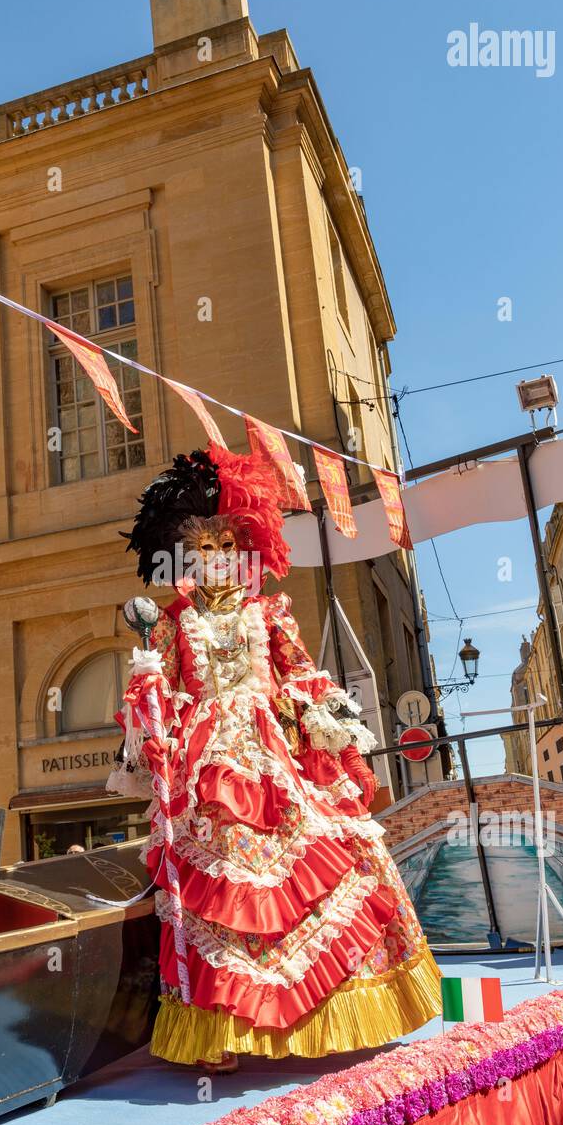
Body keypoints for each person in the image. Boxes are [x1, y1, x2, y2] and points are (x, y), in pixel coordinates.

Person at [110, 444, 441, 1072]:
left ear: (242, 552)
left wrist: (328, 716)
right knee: (223, 888)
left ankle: (336, 1012)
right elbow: (172, 697)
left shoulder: (270, 611)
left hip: (276, 756)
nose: (212, 561)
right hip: (212, 767)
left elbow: (300, 674)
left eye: (222, 548)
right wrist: (149, 689)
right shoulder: (176, 623)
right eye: (199, 551)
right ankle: (225, 1031)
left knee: (329, 860)